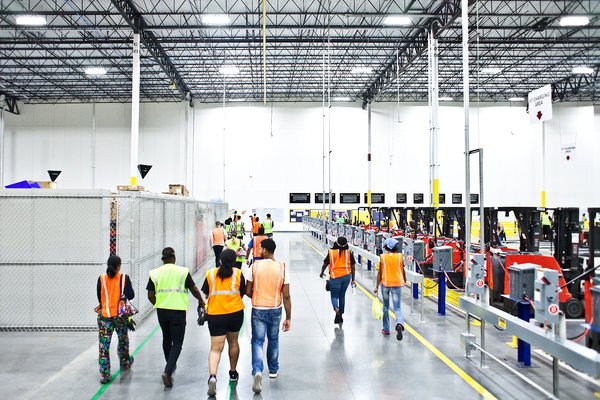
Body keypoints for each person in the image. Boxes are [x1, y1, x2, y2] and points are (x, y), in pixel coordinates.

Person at [147, 247, 205, 388]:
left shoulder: (155, 273)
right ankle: (167, 371)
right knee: (177, 342)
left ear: (163, 259)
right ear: (173, 258)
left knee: (166, 338)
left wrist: (159, 304)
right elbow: (194, 289)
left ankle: (170, 365)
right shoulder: (182, 272)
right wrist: (201, 300)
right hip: (178, 312)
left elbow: (150, 295)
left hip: (162, 311)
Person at [246, 239, 292, 394]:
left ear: (265, 250)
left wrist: (256, 295)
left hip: (258, 308)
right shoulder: (282, 268)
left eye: (260, 249)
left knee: (257, 341)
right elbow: (286, 296)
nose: (259, 251)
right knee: (273, 339)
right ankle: (273, 370)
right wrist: (288, 317)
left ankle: (257, 370)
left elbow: (247, 291)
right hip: (275, 309)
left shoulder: (255, 266)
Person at [201, 249, 246, 396]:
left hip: (215, 315)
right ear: (234, 261)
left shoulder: (210, 274)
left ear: (220, 260)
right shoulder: (238, 274)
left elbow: (206, 295)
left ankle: (213, 377)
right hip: (235, 313)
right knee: (233, 342)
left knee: (215, 349)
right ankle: (233, 373)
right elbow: (242, 293)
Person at [96, 255, 135, 383]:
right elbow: (131, 295)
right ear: (118, 266)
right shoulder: (124, 278)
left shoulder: (101, 278)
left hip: (104, 317)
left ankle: (104, 375)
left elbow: (99, 297)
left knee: (104, 346)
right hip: (120, 317)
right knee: (123, 341)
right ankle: (125, 362)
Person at [373, 238, 406, 340]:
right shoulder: (400, 257)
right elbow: (402, 270)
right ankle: (399, 324)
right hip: (397, 284)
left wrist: (376, 286)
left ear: (386, 247)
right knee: (397, 308)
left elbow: (380, 272)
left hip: (385, 284)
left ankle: (386, 328)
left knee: (386, 307)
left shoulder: (382, 257)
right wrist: (404, 280)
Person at [319, 237, 356, 324]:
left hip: (335, 277)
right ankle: (341, 314)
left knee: (334, 296)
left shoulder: (331, 252)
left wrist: (322, 273)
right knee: (342, 296)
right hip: (346, 276)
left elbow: (325, 264)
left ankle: (337, 310)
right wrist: (353, 279)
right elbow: (353, 267)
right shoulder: (349, 253)